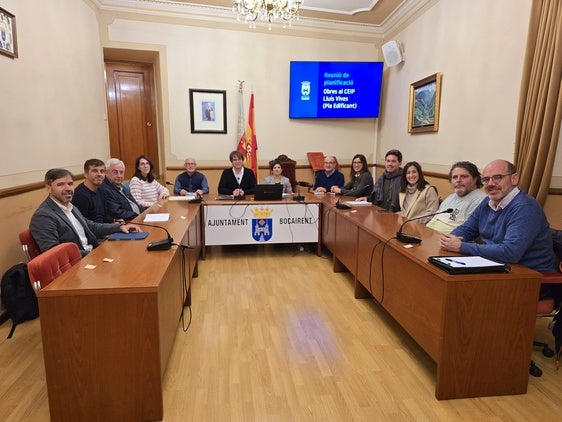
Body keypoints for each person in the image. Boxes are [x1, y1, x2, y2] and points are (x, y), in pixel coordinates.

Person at [440, 159, 560, 299]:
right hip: (498, 269)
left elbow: (510, 253)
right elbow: (467, 229)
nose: (490, 184)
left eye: (497, 178)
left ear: (514, 178)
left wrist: (461, 246)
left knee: (461, 294)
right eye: (486, 179)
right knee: (445, 282)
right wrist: (452, 239)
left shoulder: (525, 207)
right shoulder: (487, 202)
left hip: (530, 279)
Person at [30, 168, 141, 257]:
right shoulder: (44, 216)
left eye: (70, 184)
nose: (68, 188)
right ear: (49, 188)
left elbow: (90, 226)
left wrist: (119, 227)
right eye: (60, 185)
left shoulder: (70, 206)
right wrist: (93, 254)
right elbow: (54, 252)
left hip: (91, 253)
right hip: (76, 264)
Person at [426, 161, 487, 233]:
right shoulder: (451, 197)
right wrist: (425, 233)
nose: (458, 180)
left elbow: (467, 231)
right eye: (455, 177)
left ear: (475, 180)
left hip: (448, 241)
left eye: (463, 176)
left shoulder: (481, 200)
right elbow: (435, 218)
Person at [72, 158, 108, 223]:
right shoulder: (80, 195)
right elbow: (83, 225)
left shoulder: (101, 190)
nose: (99, 174)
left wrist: (115, 221)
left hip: (103, 228)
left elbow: (103, 216)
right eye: (95, 171)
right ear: (85, 174)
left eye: (102, 171)